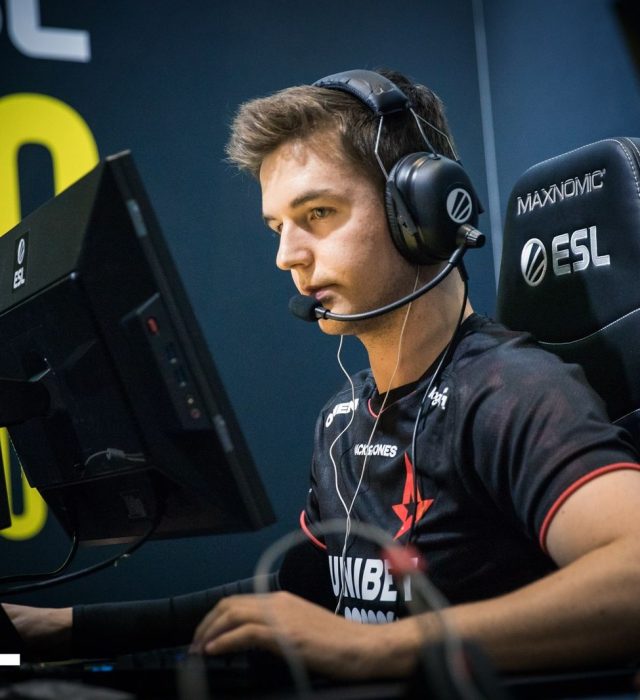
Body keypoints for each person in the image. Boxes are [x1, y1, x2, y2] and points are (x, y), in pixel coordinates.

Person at [5, 69, 640, 682]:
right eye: (277, 227)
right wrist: (63, 627)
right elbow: (301, 589)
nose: (287, 256)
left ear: (420, 212)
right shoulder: (344, 418)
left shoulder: (511, 391)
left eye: (317, 213)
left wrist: (381, 649)